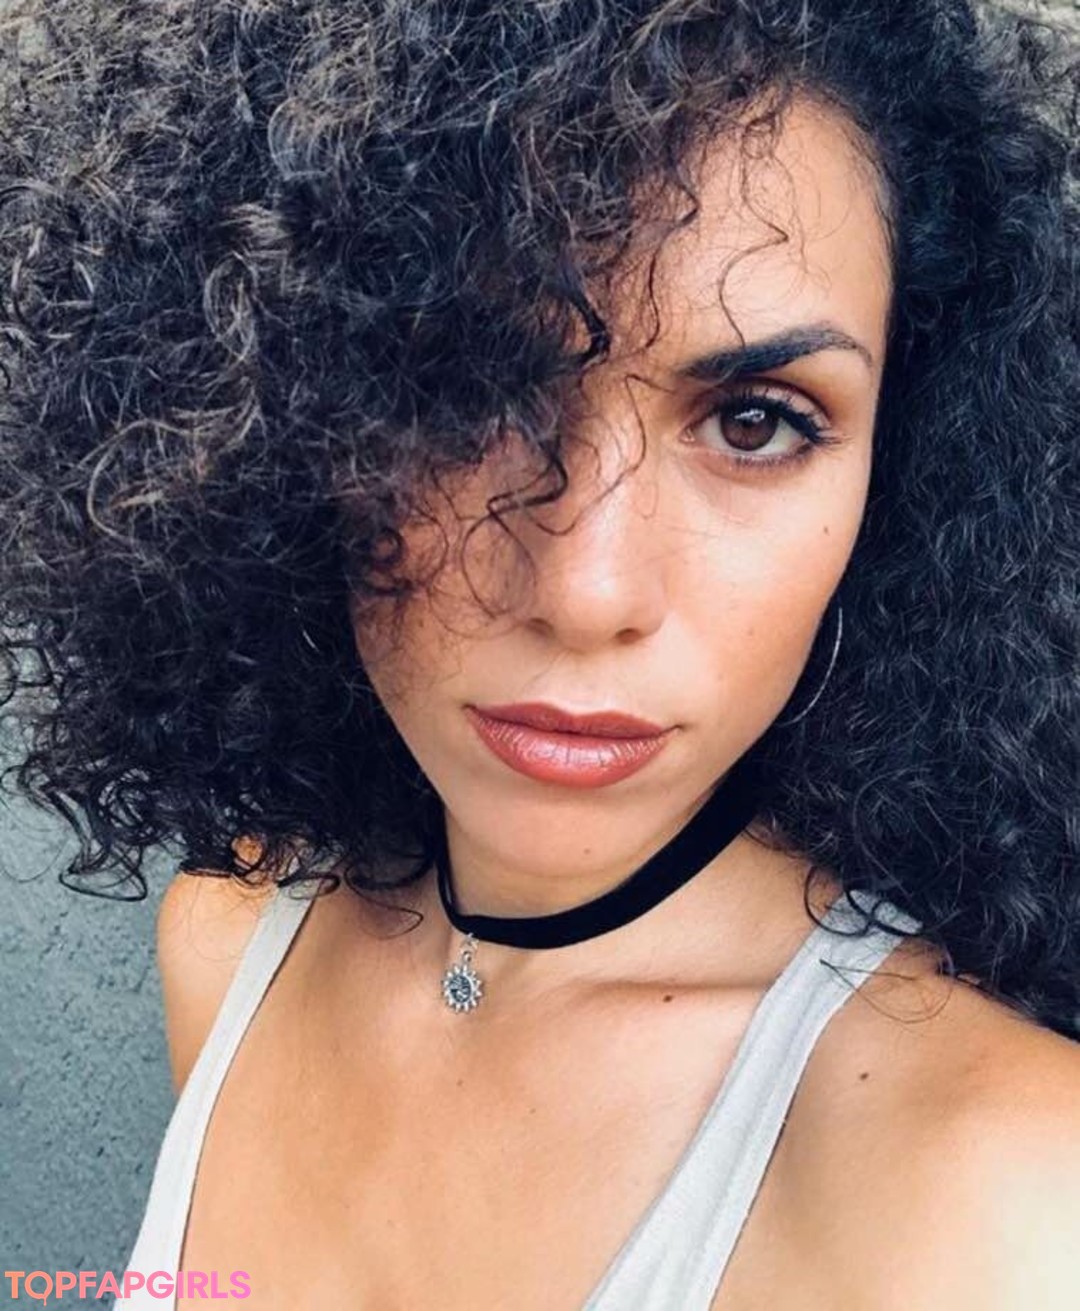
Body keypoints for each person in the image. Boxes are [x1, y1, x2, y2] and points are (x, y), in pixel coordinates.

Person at [0, 1, 1077, 1307]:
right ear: (275, 415)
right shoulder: (229, 942)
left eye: (754, 422)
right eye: (466, 392)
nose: (585, 588)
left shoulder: (1005, 1203)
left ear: (901, 477)